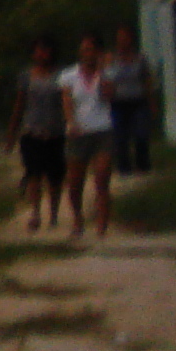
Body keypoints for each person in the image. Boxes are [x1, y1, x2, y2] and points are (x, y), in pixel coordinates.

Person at [8, 37, 68, 231]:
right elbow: (19, 105)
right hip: (32, 131)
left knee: (55, 176)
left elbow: (67, 103)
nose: (42, 54)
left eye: (45, 50)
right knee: (33, 174)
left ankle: (53, 214)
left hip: (56, 132)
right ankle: (35, 212)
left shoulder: (62, 75)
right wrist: (12, 133)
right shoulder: (26, 76)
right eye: (38, 50)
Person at [65, 33, 118, 238]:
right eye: (83, 50)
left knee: (102, 176)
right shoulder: (69, 76)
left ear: (98, 52)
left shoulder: (108, 73)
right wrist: (71, 122)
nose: (85, 54)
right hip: (78, 132)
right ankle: (78, 217)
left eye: (89, 49)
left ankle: (102, 221)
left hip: (103, 129)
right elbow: (67, 102)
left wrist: (103, 70)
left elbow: (108, 96)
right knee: (75, 182)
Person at [106, 25, 155, 176]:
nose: (122, 41)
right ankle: (124, 167)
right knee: (120, 136)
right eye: (120, 37)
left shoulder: (140, 59)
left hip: (138, 100)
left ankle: (143, 165)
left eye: (125, 37)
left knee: (141, 134)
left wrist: (151, 101)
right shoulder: (111, 59)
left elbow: (146, 80)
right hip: (118, 102)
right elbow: (107, 80)